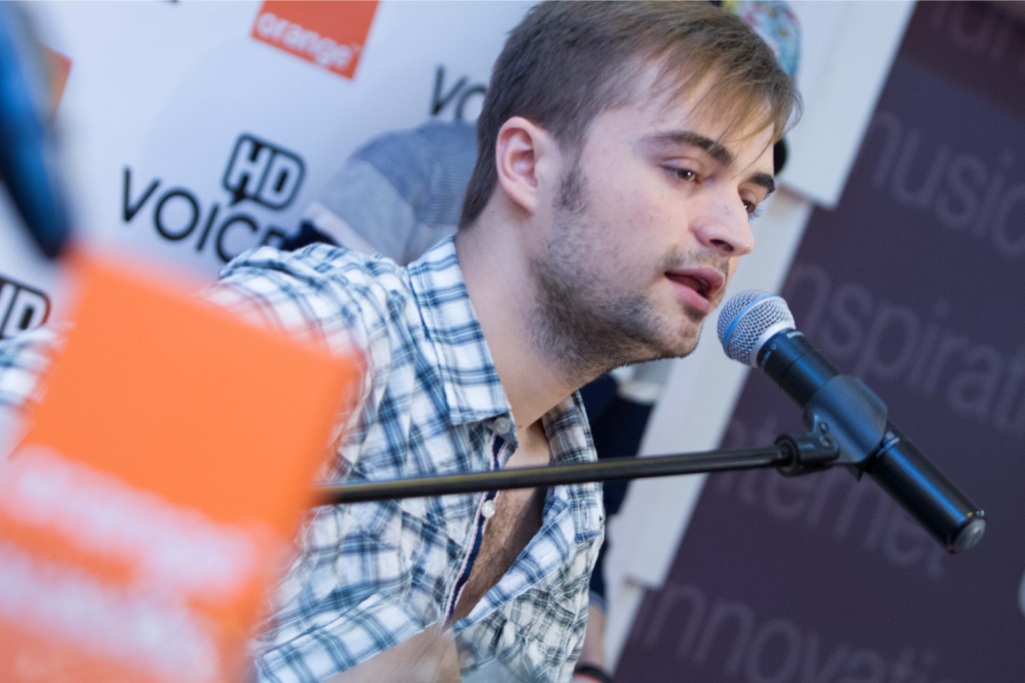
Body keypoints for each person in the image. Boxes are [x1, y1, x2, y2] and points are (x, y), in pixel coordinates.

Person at [0, 2, 799, 681]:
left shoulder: (573, 510)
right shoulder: (330, 329)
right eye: (687, 172)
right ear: (525, 164)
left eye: (750, 198)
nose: (735, 233)